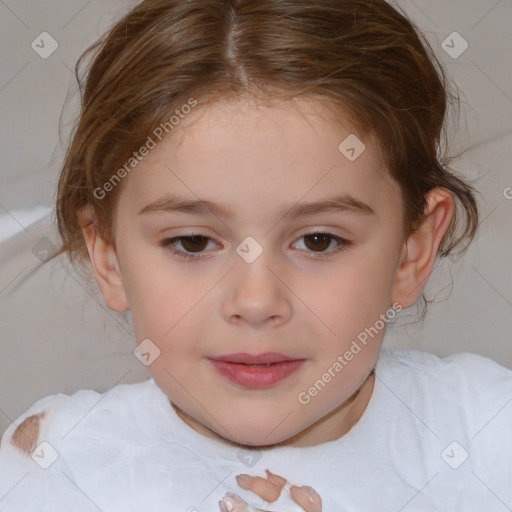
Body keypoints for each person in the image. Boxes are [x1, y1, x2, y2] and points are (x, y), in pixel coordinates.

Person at [1, 1, 510, 511]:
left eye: (318, 241)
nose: (257, 301)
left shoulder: (487, 436)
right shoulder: (57, 466)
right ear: (107, 255)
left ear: (411, 251)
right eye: (193, 242)